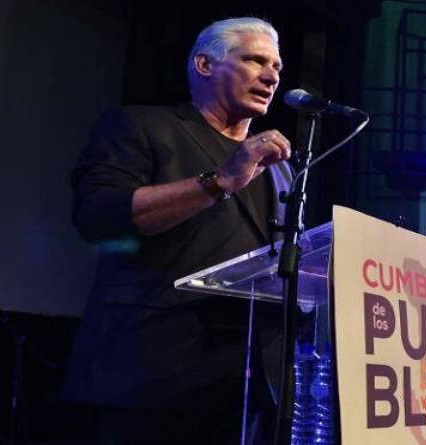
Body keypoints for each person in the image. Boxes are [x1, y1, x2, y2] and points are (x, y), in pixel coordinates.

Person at [63, 17, 292, 444]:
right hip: (152, 371)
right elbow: (98, 216)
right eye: (255, 61)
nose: (271, 76)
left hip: (248, 385)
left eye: (276, 67)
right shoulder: (141, 127)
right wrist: (220, 180)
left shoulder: (279, 167)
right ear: (205, 66)